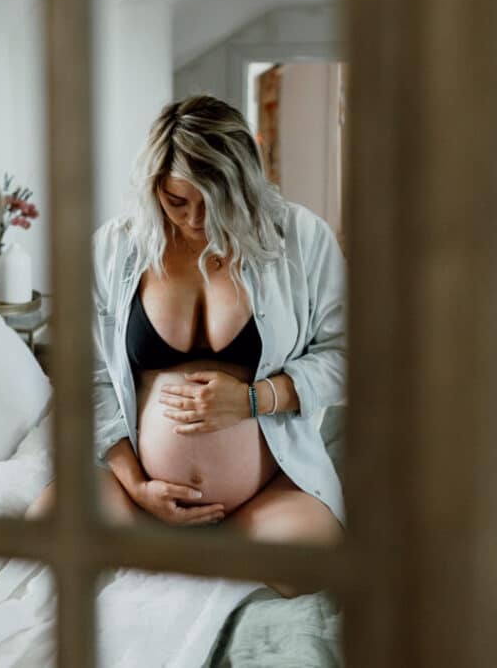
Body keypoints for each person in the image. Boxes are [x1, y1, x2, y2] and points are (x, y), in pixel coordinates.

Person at [25, 94, 345, 555]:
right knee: (44, 533)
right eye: (178, 201)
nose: (196, 220)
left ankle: (209, 550)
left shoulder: (301, 237)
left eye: (214, 204)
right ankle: (155, 535)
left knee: (307, 558)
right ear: (154, 186)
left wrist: (256, 399)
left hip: (263, 492)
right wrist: (136, 486)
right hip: (137, 486)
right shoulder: (114, 248)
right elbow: (87, 378)